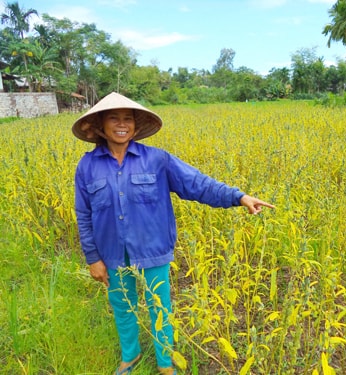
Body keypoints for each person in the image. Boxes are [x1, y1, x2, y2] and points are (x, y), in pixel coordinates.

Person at [72, 92, 275, 375]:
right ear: (100, 126)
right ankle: (130, 356)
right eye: (114, 118)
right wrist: (93, 257)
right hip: (112, 253)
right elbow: (84, 214)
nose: (122, 124)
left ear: (135, 125)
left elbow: (198, 184)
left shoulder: (157, 160)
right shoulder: (87, 166)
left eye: (127, 119)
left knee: (160, 309)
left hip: (153, 250)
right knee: (123, 308)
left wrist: (239, 197)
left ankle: (165, 363)